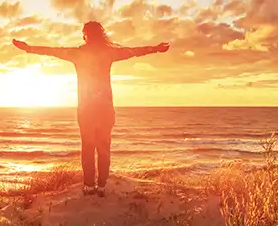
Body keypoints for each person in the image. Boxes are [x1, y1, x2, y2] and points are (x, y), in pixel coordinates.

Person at [12, 21, 169, 197]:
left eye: (83, 33)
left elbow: (53, 51)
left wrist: (29, 48)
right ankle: (101, 186)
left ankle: (88, 186)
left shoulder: (78, 54)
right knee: (103, 148)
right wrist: (155, 48)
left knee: (88, 147)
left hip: (87, 109)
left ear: (86, 34)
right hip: (105, 109)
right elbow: (133, 52)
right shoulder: (109, 53)